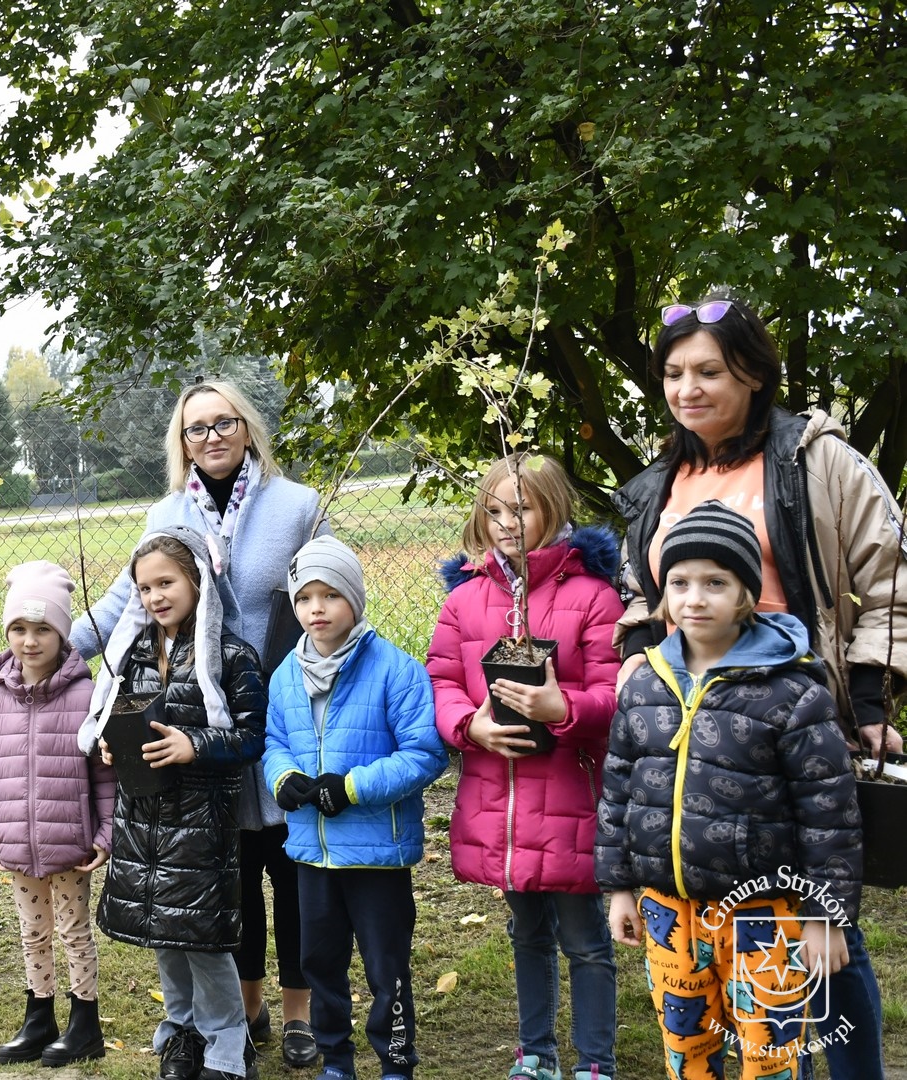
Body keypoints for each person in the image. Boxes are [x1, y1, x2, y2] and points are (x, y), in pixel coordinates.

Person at [613, 295, 907, 1080]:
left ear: (752, 370)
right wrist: (642, 659)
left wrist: (872, 704)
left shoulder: (818, 461)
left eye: (709, 369)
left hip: (799, 717)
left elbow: (886, 580)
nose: (688, 388)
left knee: (816, 924)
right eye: (673, 373)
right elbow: (643, 597)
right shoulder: (657, 486)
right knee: (731, 930)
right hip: (700, 732)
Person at [72, 380, 321, 1067]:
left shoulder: (295, 506)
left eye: (222, 423)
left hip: (276, 705)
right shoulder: (166, 512)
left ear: (246, 427)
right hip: (193, 717)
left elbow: (328, 589)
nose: (210, 438)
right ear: (180, 443)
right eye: (195, 429)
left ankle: (299, 1011)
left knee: (286, 865)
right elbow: (126, 599)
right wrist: (45, 644)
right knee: (220, 872)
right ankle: (242, 1008)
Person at [597, 502, 862, 1079]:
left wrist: (826, 917)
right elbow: (618, 791)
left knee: (771, 1055)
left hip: (763, 915)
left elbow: (830, 814)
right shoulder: (643, 682)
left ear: (747, 591)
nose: (695, 598)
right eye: (680, 582)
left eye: (716, 582)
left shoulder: (793, 690)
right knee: (686, 1049)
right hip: (668, 911)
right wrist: (619, 888)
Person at [426, 456, 622, 1080]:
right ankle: (535, 1052)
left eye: (522, 509)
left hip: (570, 798)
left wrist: (562, 706)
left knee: (586, 941)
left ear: (554, 510)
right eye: (495, 511)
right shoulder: (466, 601)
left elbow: (615, 692)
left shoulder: (593, 596)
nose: (507, 523)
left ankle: (595, 1060)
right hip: (502, 801)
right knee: (527, 933)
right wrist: (469, 725)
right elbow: (443, 679)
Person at [79, 526, 267, 1080]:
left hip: (199, 823)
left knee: (201, 938)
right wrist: (115, 746)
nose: (155, 596)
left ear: (197, 581)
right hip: (143, 817)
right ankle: (181, 1034)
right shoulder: (131, 653)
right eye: (143, 588)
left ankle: (229, 1043)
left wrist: (195, 744)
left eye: (166, 582)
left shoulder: (232, 657)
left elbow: (252, 739)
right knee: (164, 933)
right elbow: (118, 715)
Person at [265, 536, 445, 1080]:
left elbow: (423, 754)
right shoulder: (284, 677)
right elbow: (274, 743)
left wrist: (351, 788)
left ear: (355, 600)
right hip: (312, 854)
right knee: (320, 962)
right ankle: (336, 1060)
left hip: (377, 855)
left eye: (330, 595)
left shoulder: (396, 670)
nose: (316, 609)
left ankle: (394, 1061)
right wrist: (285, 779)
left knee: (385, 969)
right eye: (304, 598)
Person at [0, 560, 116, 1067]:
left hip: (69, 843)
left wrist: (105, 834)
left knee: (74, 930)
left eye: (43, 629)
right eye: (20, 629)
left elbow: (103, 776)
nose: (30, 641)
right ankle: (39, 1015)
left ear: (63, 633)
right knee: (33, 932)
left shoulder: (84, 696)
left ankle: (85, 1021)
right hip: (16, 844)